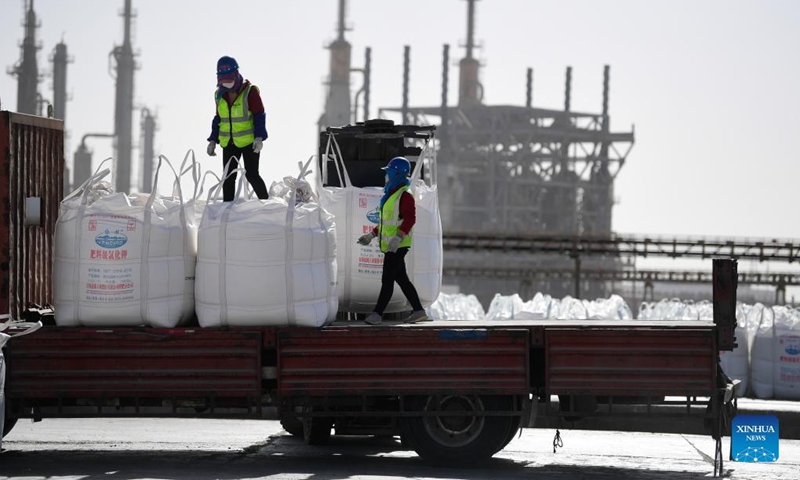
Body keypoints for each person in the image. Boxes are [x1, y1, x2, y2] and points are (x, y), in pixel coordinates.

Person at [357, 157, 429, 325]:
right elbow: (386, 223)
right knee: (401, 279)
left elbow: (410, 218)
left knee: (387, 279)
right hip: (392, 244)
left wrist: (398, 237)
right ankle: (419, 311)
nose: (385, 176)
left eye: (388, 173)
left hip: (398, 245)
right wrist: (371, 235)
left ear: (396, 174)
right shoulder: (392, 194)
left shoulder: (405, 195)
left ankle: (377, 314)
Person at [206, 56, 270, 201]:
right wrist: (213, 140)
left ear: (236, 75)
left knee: (252, 174)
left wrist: (259, 137)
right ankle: (226, 208)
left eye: (229, 80)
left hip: (249, 143)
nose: (227, 84)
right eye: (223, 81)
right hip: (229, 142)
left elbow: (259, 115)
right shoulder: (219, 95)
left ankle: (267, 204)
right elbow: (218, 118)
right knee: (228, 177)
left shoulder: (250, 92)